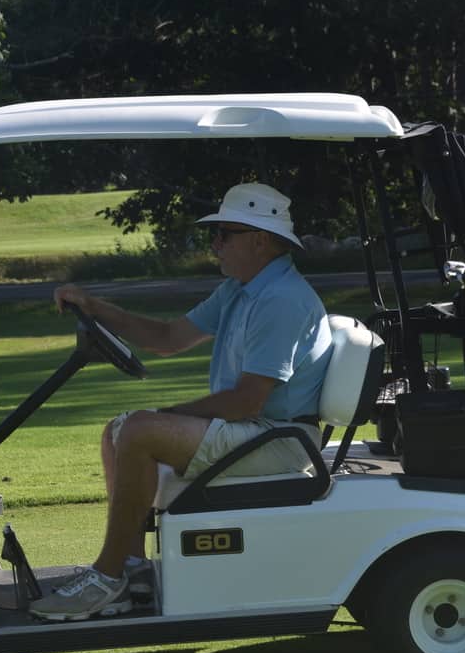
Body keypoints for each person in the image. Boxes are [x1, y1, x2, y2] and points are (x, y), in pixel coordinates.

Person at [30, 183, 332, 621]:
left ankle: (105, 577)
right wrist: (94, 307)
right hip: (255, 429)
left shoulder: (281, 300)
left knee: (138, 430)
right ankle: (131, 570)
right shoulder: (240, 290)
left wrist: (169, 415)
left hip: (279, 439)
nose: (215, 244)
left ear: (259, 240)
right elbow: (168, 337)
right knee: (118, 430)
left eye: (224, 234)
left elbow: (247, 401)